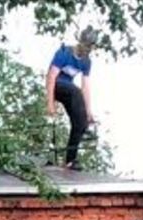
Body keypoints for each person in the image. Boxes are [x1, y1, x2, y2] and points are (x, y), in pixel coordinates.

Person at [46, 26, 98, 170]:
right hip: (56, 86)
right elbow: (51, 77)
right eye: (85, 46)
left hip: (70, 92)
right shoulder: (64, 52)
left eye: (89, 48)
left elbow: (85, 87)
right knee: (75, 92)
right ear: (80, 42)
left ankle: (70, 161)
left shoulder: (87, 62)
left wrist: (88, 112)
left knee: (80, 123)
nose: (86, 51)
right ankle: (69, 158)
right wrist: (50, 103)